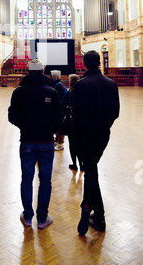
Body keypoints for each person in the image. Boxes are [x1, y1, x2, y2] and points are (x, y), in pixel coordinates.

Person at [8, 59, 62, 229]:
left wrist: (24, 126)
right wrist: (50, 130)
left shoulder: (19, 92)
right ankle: (42, 218)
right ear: (43, 71)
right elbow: (58, 118)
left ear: (27, 71)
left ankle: (28, 216)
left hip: (27, 142)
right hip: (46, 142)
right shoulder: (52, 92)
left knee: (26, 178)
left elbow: (12, 117)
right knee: (45, 181)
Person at [71, 50, 120, 235]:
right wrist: (104, 125)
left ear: (84, 63)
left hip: (85, 136)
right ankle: (95, 212)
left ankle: (92, 209)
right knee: (91, 169)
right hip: (102, 135)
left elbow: (77, 114)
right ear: (99, 63)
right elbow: (115, 112)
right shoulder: (111, 84)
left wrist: (78, 136)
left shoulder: (82, 85)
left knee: (91, 170)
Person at [61, 74, 84, 171]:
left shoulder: (69, 93)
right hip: (82, 121)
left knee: (72, 144)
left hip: (71, 122)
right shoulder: (83, 92)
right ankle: (82, 164)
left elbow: (62, 106)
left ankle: (74, 164)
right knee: (81, 143)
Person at [50, 70, 68, 150]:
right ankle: (57, 141)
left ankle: (60, 143)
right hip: (58, 110)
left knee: (60, 128)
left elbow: (59, 100)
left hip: (60, 110)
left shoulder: (58, 86)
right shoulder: (56, 85)